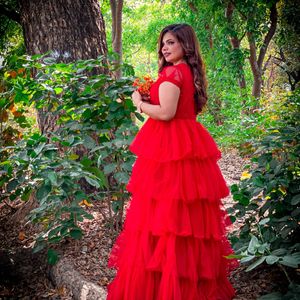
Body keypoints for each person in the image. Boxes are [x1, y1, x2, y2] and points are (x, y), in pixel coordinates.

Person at [107, 23, 237, 300]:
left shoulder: (172, 73)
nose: (165, 48)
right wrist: (149, 94)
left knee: (164, 216)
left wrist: (138, 104)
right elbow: (176, 107)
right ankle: (189, 281)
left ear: (185, 46)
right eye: (163, 43)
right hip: (187, 141)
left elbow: (166, 113)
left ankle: (164, 285)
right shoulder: (188, 72)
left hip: (170, 146)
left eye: (171, 43)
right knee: (185, 217)